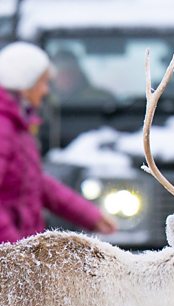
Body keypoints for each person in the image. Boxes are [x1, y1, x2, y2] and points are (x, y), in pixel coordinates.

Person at [0, 41, 116, 244]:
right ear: (24, 83)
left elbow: (35, 182)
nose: (46, 91)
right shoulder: (4, 127)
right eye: (42, 82)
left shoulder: (17, 124)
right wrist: (13, 252)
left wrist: (89, 215)